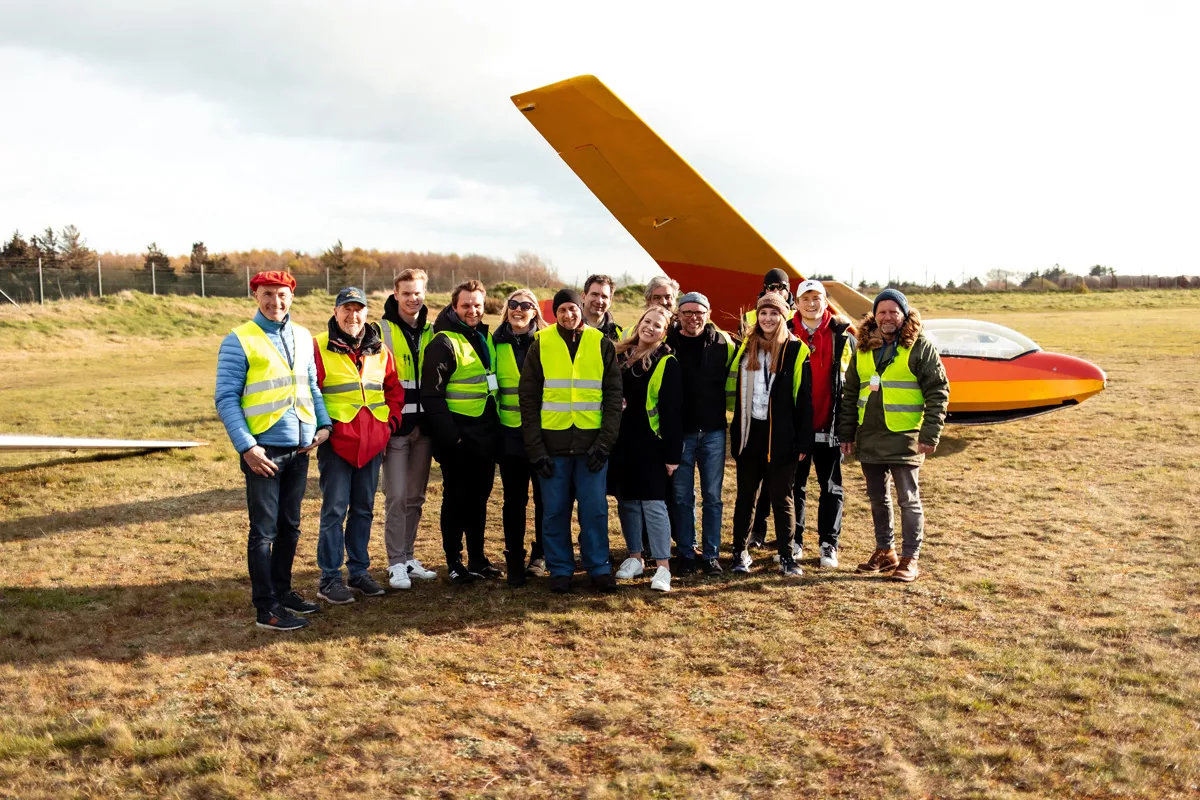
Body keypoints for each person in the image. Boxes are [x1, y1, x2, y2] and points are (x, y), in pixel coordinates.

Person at [215, 270, 331, 631]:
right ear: (255, 296)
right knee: (263, 532)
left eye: (282, 295)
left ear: (292, 297)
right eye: (267, 294)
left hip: (300, 447)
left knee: (290, 527)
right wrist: (247, 447)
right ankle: (266, 608)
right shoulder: (239, 339)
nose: (275, 301)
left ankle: (283, 592)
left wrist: (323, 425)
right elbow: (226, 398)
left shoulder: (302, 335)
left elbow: (311, 385)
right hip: (262, 451)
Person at [838, 289, 948, 583]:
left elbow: (938, 391)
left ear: (904, 314)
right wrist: (846, 432)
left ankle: (911, 558)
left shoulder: (920, 346)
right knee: (877, 499)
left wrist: (931, 432)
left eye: (893, 311)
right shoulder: (862, 348)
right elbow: (849, 394)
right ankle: (886, 551)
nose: (888, 317)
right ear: (875, 315)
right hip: (869, 435)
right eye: (882, 311)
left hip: (905, 436)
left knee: (908, 500)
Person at [519, 288, 623, 593]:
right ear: (555, 313)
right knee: (554, 511)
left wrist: (604, 445)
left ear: (581, 310)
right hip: (553, 447)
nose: (568, 315)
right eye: (562, 310)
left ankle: (599, 568)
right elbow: (528, 399)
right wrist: (536, 450)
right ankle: (560, 569)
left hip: (592, 447)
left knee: (594, 510)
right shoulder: (541, 344)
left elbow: (614, 398)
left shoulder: (601, 343)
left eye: (573, 309)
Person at [312, 287, 405, 604]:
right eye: (346, 309)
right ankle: (329, 578)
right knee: (334, 511)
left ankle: (359, 571)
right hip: (337, 444)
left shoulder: (381, 351)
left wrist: (388, 425)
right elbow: (312, 392)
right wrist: (326, 428)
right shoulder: (318, 347)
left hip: (372, 444)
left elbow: (394, 391)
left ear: (367, 313)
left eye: (359, 309)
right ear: (336, 312)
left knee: (363, 510)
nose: (353, 315)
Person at [421, 279, 502, 585]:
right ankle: (454, 562)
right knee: (456, 499)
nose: (472, 310)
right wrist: (451, 437)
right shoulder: (443, 342)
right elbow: (432, 395)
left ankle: (478, 559)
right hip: (457, 437)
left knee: (480, 499)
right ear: (454, 306)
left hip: (484, 434)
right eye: (466, 305)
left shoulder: (484, 335)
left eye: (477, 305)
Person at [728, 292, 812, 577]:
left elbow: (804, 398)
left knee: (782, 497)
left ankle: (787, 555)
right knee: (745, 497)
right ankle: (739, 552)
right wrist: (735, 430)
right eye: (763, 313)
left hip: (782, 436)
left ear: (783, 316)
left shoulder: (796, 349)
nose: (768, 319)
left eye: (774, 313)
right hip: (750, 433)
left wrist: (802, 440)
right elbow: (732, 391)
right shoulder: (745, 347)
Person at [664, 291, 738, 576]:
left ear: (708, 314)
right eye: (687, 313)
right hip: (680, 433)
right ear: (678, 315)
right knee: (682, 496)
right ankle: (685, 552)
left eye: (699, 312)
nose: (693, 318)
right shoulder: (667, 343)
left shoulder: (724, 343)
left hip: (714, 432)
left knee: (712, 496)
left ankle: (710, 555)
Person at [611, 305, 683, 592]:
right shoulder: (619, 356)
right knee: (627, 502)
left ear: (664, 332)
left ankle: (663, 567)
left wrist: (672, 455)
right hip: (621, 442)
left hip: (652, 444)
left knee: (653, 505)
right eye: (647, 321)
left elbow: (673, 412)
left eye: (658, 325)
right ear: (640, 322)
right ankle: (634, 558)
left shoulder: (667, 362)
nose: (650, 327)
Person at [377, 269, 438, 588]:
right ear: (395, 294)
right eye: (406, 293)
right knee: (396, 496)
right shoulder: (381, 330)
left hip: (425, 428)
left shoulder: (432, 329)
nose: (413, 299)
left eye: (418, 293)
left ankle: (410, 557)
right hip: (397, 429)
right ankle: (395, 562)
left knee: (415, 497)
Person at [792, 279, 856, 568]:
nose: (811, 303)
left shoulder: (842, 335)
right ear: (797, 303)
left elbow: (852, 385)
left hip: (830, 425)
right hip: (795, 427)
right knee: (795, 487)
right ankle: (794, 540)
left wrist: (847, 427)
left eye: (816, 298)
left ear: (825, 301)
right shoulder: (786, 333)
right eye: (805, 298)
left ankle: (828, 544)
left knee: (831, 487)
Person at [493, 288, 548, 586]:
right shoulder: (494, 342)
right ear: (507, 308)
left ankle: (540, 555)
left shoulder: (547, 342)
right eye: (514, 304)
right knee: (514, 500)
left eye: (526, 305)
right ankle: (514, 557)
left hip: (542, 434)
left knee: (544, 499)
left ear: (535, 311)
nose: (519, 310)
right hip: (509, 433)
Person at [582, 273, 623, 341]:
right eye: (594, 294)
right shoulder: (568, 326)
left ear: (610, 301)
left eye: (604, 296)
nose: (599, 301)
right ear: (583, 296)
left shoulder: (618, 335)